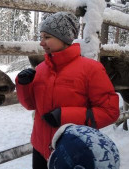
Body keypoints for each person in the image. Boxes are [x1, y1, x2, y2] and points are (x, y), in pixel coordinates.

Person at [15, 12, 119, 169]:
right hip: (40, 148)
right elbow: (30, 105)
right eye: (41, 36)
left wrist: (64, 116)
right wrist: (23, 85)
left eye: (47, 37)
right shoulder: (41, 68)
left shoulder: (91, 69)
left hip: (71, 153)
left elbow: (110, 111)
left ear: (64, 38)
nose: (41, 43)